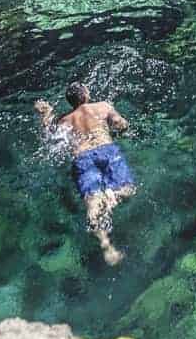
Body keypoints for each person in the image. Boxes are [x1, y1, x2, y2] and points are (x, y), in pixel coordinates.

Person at [35, 84, 134, 265]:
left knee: (92, 204)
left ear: (70, 102)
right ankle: (113, 196)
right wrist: (121, 130)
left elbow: (49, 137)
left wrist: (46, 114)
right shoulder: (103, 106)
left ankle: (107, 247)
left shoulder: (64, 120)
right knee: (128, 189)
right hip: (107, 150)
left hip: (82, 158)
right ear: (86, 94)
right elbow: (121, 124)